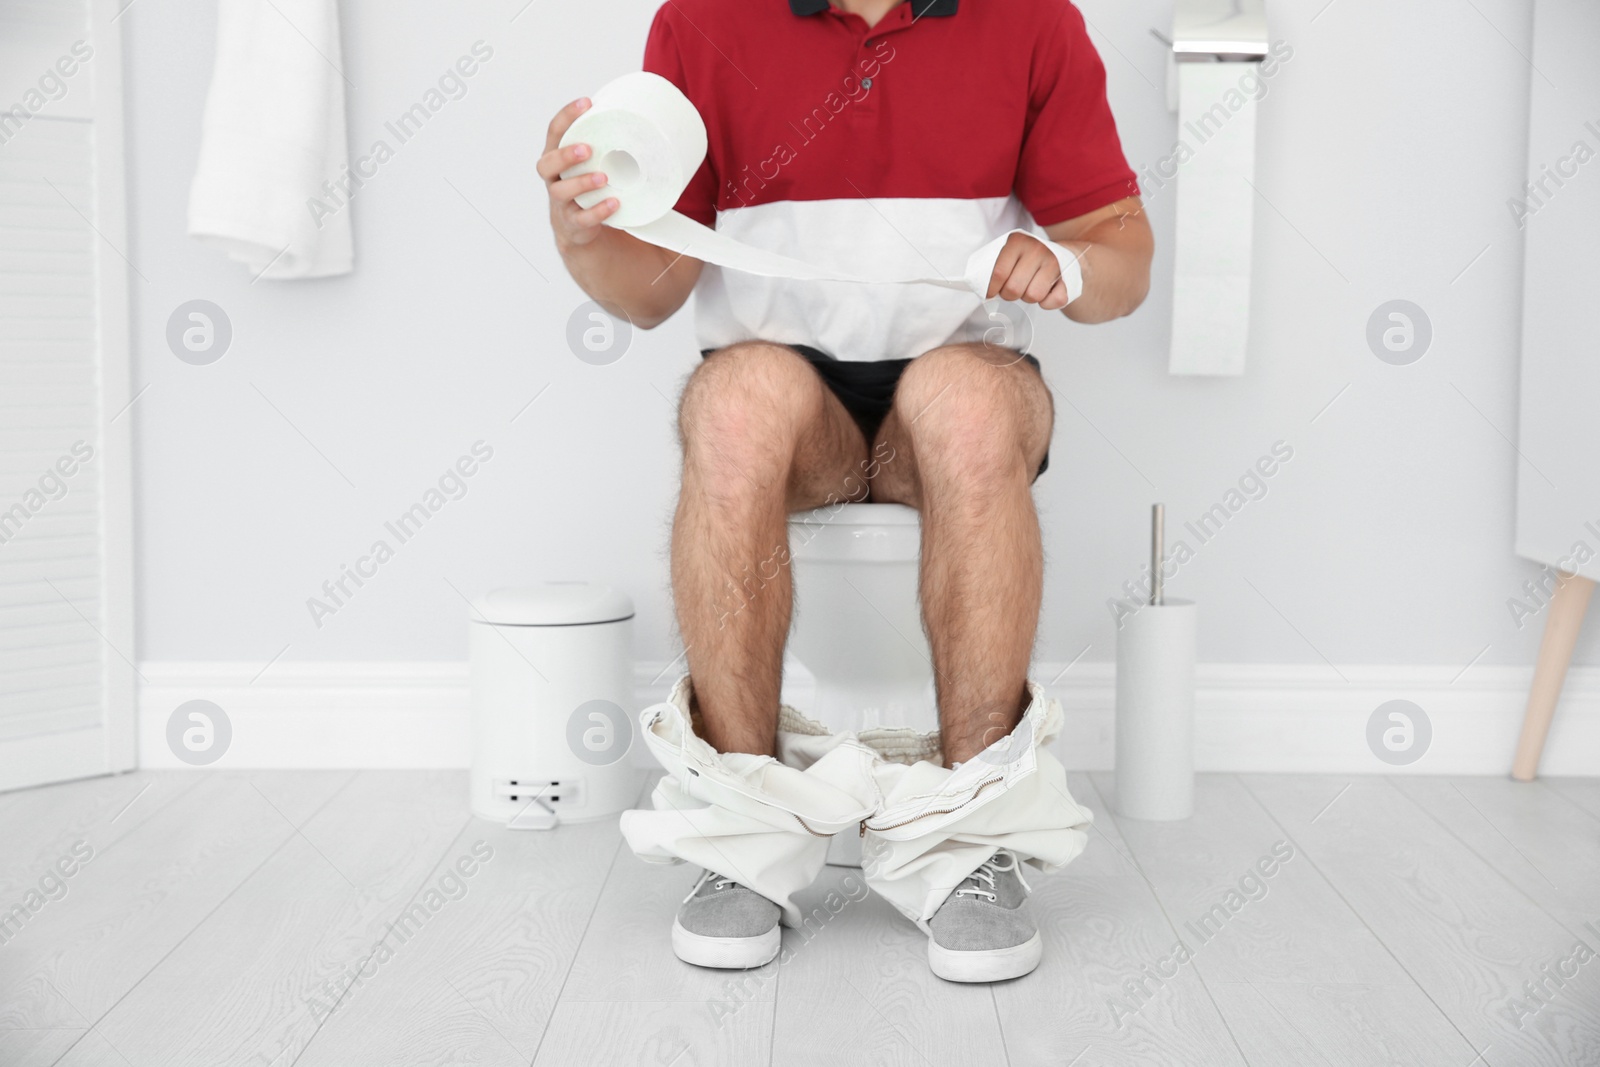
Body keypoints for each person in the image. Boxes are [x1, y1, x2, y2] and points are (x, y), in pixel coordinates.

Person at [541, 0, 1152, 983]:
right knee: (733, 396)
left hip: (962, 380)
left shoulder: (1034, 21)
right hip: (789, 393)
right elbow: (649, 290)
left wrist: (1068, 264)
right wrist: (579, 230)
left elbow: (1124, 260)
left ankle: (967, 843)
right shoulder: (699, 25)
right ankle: (739, 839)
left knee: (963, 399)